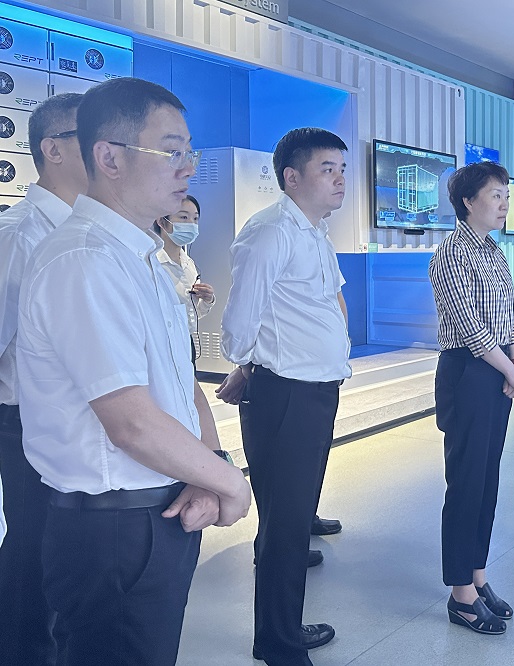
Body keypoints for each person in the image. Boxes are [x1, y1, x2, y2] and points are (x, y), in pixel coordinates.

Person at [16, 77, 251, 666]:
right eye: (170, 151)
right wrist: (231, 483)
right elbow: (132, 423)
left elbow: (181, 384)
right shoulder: (85, 260)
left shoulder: (142, 256)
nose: (188, 167)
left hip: (163, 507)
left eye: (190, 151)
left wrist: (210, 466)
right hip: (113, 530)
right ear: (110, 157)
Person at [216, 127, 351, 665]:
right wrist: (250, 365)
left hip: (314, 389)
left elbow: (328, 300)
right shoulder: (270, 232)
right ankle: (279, 642)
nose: (340, 179)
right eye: (327, 169)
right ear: (292, 177)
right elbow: (239, 322)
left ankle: (281, 627)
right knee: (284, 525)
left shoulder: (314, 231)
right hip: (286, 393)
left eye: (342, 169)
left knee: (293, 519)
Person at [0, 92, 87, 666]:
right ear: (52, 149)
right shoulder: (19, 233)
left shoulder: (90, 231)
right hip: (26, 423)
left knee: (63, 557)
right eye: (92, 137)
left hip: (79, 422)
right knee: (33, 554)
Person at [429, 162, 514, 636]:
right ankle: (460, 594)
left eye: (506, 195)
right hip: (467, 371)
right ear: (468, 202)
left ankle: (478, 575)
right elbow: (469, 326)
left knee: (487, 478)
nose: (504, 203)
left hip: (499, 368)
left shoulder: (494, 252)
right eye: (495, 195)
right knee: (466, 481)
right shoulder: (451, 252)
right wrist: (509, 368)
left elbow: (508, 314)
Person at [154, 194, 215, 365]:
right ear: (162, 221)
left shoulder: (188, 263)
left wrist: (207, 300)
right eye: (183, 217)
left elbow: (191, 314)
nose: (191, 224)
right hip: (161, 346)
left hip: (186, 343)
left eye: (195, 219)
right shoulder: (152, 264)